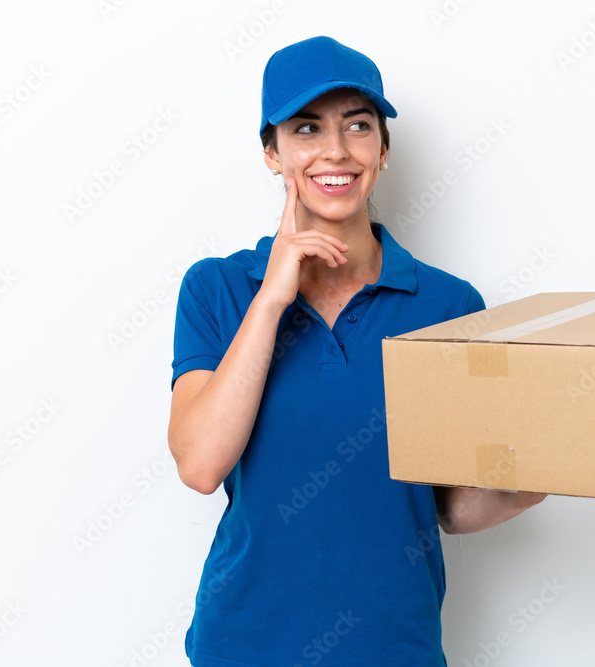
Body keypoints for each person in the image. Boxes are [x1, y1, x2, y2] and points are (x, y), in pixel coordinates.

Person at [168, 35, 546, 667]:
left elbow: (450, 506)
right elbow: (201, 465)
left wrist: (541, 474)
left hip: (394, 648)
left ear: (383, 148)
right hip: (245, 646)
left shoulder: (447, 306)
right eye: (307, 128)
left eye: (358, 125)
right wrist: (270, 302)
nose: (335, 151)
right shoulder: (218, 288)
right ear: (272, 152)